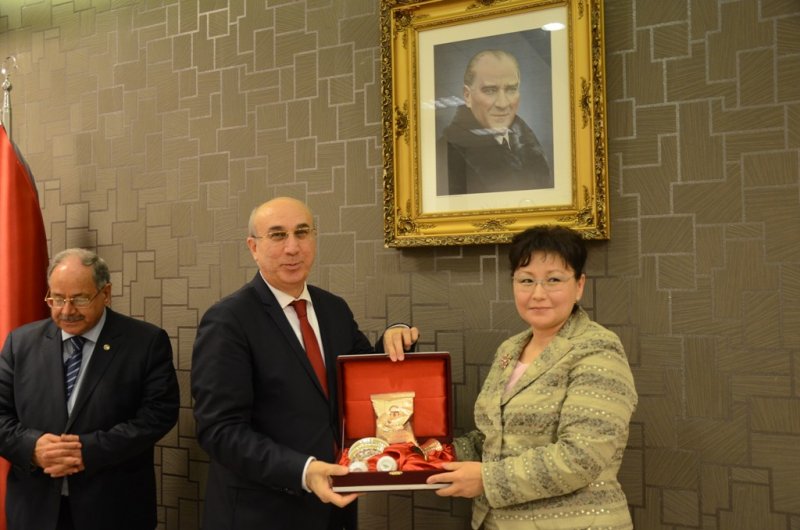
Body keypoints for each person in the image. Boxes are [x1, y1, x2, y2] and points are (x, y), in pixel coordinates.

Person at [191, 197, 419, 530]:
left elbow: (364, 383)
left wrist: (394, 336)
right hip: (262, 513)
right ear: (253, 247)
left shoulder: (333, 309)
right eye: (278, 235)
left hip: (335, 507)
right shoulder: (229, 320)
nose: (293, 247)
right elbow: (220, 431)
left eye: (302, 232)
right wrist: (304, 470)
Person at [428, 226, 637, 530]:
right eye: (526, 280)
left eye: (554, 280)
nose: (538, 294)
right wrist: (425, 453)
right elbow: (494, 440)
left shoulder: (598, 349)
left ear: (579, 285)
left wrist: (487, 479)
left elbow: (581, 457)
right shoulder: (510, 349)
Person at [0, 248, 180, 530]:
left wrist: (88, 451)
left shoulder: (145, 342)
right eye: (57, 299)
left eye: (80, 299)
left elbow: (158, 415)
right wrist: (32, 446)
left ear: (105, 293)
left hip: (113, 509)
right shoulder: (20, 343)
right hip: (35, 509)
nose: (67, 310)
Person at [437, 49, 553, 195]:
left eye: (511, 89)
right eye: (490, 90)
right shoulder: (444, 154)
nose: (503, 104)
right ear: (467, 96)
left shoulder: (527, 144)